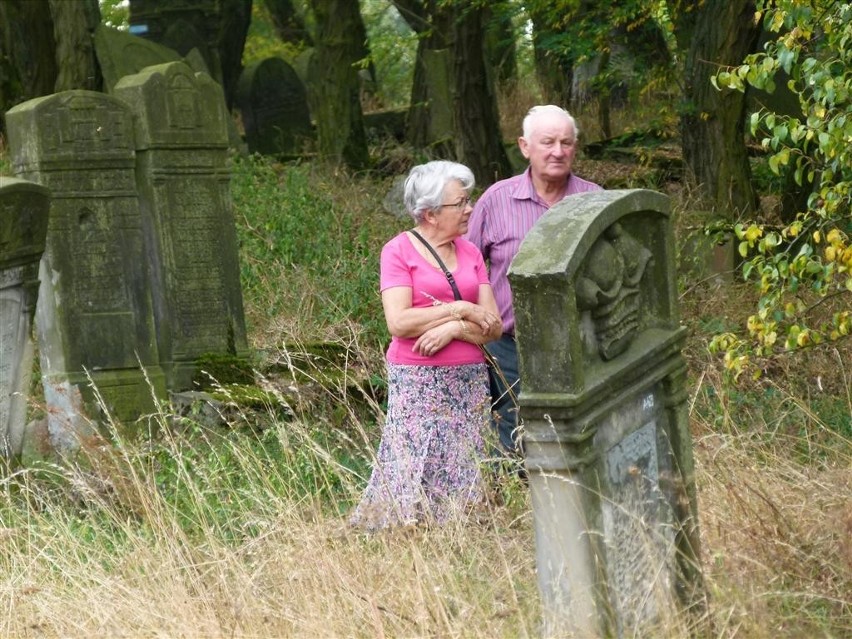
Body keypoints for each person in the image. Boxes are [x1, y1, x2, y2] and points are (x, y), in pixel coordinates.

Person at [350, 160, 503, 531]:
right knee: (416, 457)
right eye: (461, 203)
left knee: (465, 458)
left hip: (469, 380)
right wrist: (460, 309)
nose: (470, 209)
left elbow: (493, 325)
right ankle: (405, 532)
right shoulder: (397, 251)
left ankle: (459, 531)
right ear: (430, 213)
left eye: (469, 200)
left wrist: (452, 327)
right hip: (418, 379)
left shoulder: (469, 253)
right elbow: (399, 322)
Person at [465, 105, 602, 457]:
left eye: (566, 142)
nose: (558, 151)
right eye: (548, 142)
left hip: (577, 343)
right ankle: (518, 504)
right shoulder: (496, 200)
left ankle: (572, 501)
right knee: (515, 426)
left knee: (574, 426)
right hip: (508, 344)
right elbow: (467, 267)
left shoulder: (594, 200)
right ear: (525, 147)